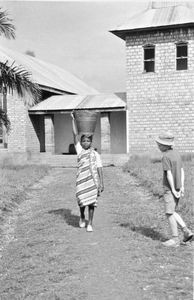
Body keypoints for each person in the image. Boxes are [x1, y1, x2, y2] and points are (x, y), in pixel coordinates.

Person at [155, 131, 193, 247]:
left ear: (164, 145)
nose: (158, 146)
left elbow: (169, 174)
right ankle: (186, 232)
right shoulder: (176, 154)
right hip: (177, 187)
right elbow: (181, 171)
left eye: (159, 145)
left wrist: (173, 190)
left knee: (169, 213)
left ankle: (175, 239)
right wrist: (181, 186)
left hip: (169, 189)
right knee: (173, 211)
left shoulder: (165, 157)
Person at [71, 112, 104, 232]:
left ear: (91, 142)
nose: (85, 143)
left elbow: (99, 167)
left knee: (91, 203)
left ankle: (90, 223)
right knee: (81, 200)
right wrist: (73, 120)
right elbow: (74, 135)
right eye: (83, 141)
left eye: (88, 141)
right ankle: (82, 216)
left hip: (92, 181)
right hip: (81, 180)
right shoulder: (79, 150)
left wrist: (101, 183)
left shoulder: (95, 154)